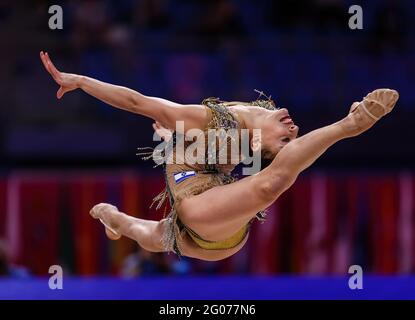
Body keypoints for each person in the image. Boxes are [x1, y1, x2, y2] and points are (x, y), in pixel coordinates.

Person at [40, 51, 399, 261]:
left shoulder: (236, 140)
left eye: (288, 140)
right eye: (293, 134)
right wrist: (83, 81)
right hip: (201, 217)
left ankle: (350, 125)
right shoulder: (231, 124)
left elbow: (143, 108)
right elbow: (138, 102)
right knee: (147, 234)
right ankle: (115, 220)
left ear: (259, 147)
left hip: (214, 219)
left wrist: (174, 140)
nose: (293, 129)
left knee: (268, 185)